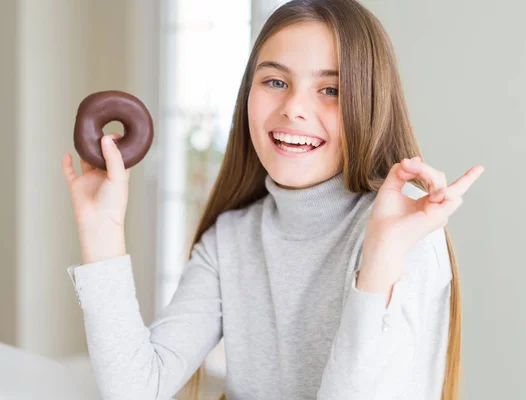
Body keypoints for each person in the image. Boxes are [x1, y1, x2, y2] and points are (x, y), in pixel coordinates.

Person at [61, 0, 484, 399]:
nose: (293, 108)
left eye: (330, 89)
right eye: (276, 81)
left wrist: (380, 259)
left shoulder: (405, 227)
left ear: (369, 104)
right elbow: (136, 389)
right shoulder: (231, 240)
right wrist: (103, 235)